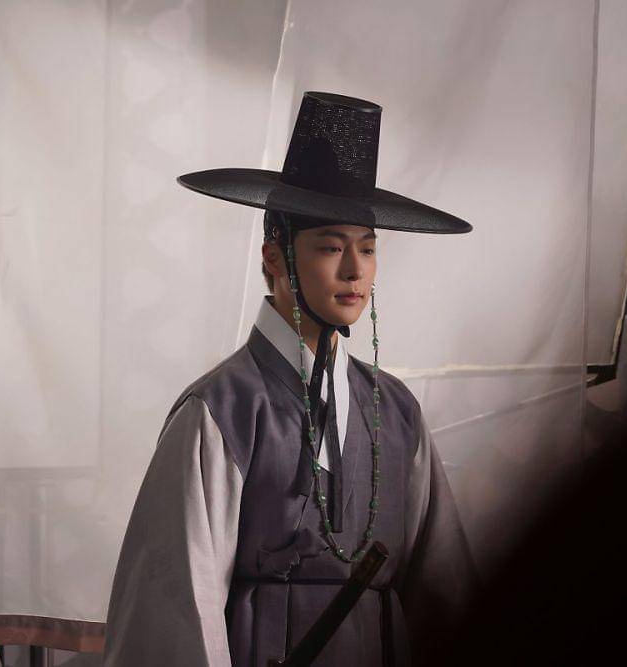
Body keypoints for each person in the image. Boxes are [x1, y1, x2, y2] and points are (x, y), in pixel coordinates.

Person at [104, 91, 479, 666]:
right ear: (274, 257)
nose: (354, 271)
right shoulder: (223, 409)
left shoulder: (396, 411)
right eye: (331, 247)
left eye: (367, 249)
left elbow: (445, 593)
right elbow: (179, 601)